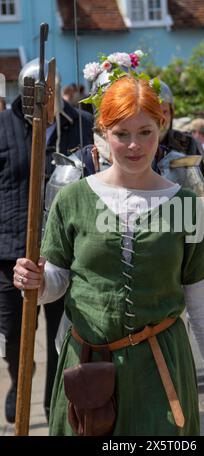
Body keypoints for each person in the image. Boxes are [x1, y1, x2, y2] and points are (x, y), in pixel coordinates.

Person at [13, 57, 204, 435]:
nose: (134, 145)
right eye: (121, 133)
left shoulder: (185, 206)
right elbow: (56, 281)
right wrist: (35, 280)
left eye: (145, 132)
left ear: (161, 127)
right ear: (102, 130)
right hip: (88, 369)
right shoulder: (73, 198)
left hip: (161, 370)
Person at [0, 58, 93, 424]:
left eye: (47, 91)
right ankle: (17, 378)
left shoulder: (81, 127)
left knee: (61, 335)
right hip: (11, 251)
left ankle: (53, 404)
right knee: (13, 336)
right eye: (33, 92)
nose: (40, 98)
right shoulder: (3, 127)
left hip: (64, 251)